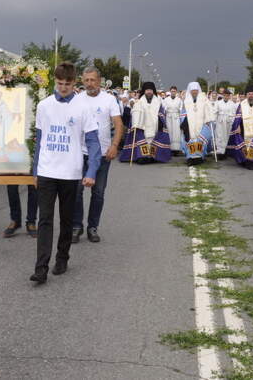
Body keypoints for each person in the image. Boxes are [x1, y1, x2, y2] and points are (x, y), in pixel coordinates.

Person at [31, 62, 101, 284]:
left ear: (74, 83)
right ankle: (41, 267)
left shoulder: (83, 108)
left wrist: (91, 171)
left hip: (71, 172)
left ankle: (62, 257)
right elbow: (39, 140)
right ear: (55, 81)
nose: (63, 88)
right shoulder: (44, 106)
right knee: (45, 219)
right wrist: (35, 170)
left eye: (67, 84)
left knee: (67, 219)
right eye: (59, 83)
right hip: (47, 170)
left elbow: (93, 143)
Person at [71, 67, 123, 243]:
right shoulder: (77, 99)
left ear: (99, 81)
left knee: (98, 193)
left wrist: (115, 145)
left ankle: (92, 227)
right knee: (76, 192)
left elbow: (118, 124)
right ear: (82, 81)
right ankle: (76, 226)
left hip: (102, 154)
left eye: (93, 80)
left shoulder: (109, 100)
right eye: (86, 80)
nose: (89, 84)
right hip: (80, 153)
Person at [121, 81, 172, 164]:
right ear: (144, 91)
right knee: (142, 142)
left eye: (150, 90)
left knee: (153, 142)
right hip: (142, 127)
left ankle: (152, 157)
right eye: (147, 90)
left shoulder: (158, 102)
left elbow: (162, 113)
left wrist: (160, 123)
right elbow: (134, 113)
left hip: (154, 126)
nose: (149, 92)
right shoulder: (139, 102)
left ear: (153, 91)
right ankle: (142, 157)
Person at [180, 82, 215, 166]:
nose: (194, 92)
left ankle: (200, 157)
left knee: (200, 140)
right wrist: (184, 122)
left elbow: (208, 110)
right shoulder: (186, 100)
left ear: (198, 90)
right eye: (193, 90)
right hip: (189, 125)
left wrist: (208, 119)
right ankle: (190, 157)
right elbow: (183, 113)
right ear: (190, 91)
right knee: (190, 140)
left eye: (196, 90)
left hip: (201, 124)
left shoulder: (204, 99)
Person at [214, 89, 237, 159]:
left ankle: (226, 152)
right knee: (219, 136)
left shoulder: (232, 104)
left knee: (227, 136)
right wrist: (214, 121)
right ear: (223, 95)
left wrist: (232, 122)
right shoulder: (218, 103)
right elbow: (215, 112)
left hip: (228, 122)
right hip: (220, 121)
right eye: (225, 95)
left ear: (229, 96)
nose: (226, 97)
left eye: (228, 95)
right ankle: (220, 152)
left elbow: (234, 114)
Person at [163, 86, 183, 154]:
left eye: (174, 91)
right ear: (170, 91)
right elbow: (164, 108)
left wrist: (178, 112)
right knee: (169, 131)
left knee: (176, 132)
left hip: (176, 117)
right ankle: (169, 148)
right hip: (168, 117)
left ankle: (176, 149)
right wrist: (166, 110)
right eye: (172, 91)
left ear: (176, 92)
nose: (173, 92)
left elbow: (181, 109)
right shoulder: (166, 99)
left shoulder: (179, 100)